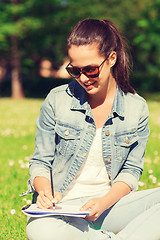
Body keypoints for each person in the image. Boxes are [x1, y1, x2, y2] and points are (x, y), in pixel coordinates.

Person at [25, 18, 160, 240]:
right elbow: (41, 161)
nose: (83, 78)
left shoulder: (137, 108)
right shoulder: (57, 100)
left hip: (109, 207)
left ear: (112, 59)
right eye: (75, 70)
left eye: (90, 69)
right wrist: (44, 192)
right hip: (61, 210)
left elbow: (131, 170)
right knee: (38, 230)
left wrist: (103, 202)